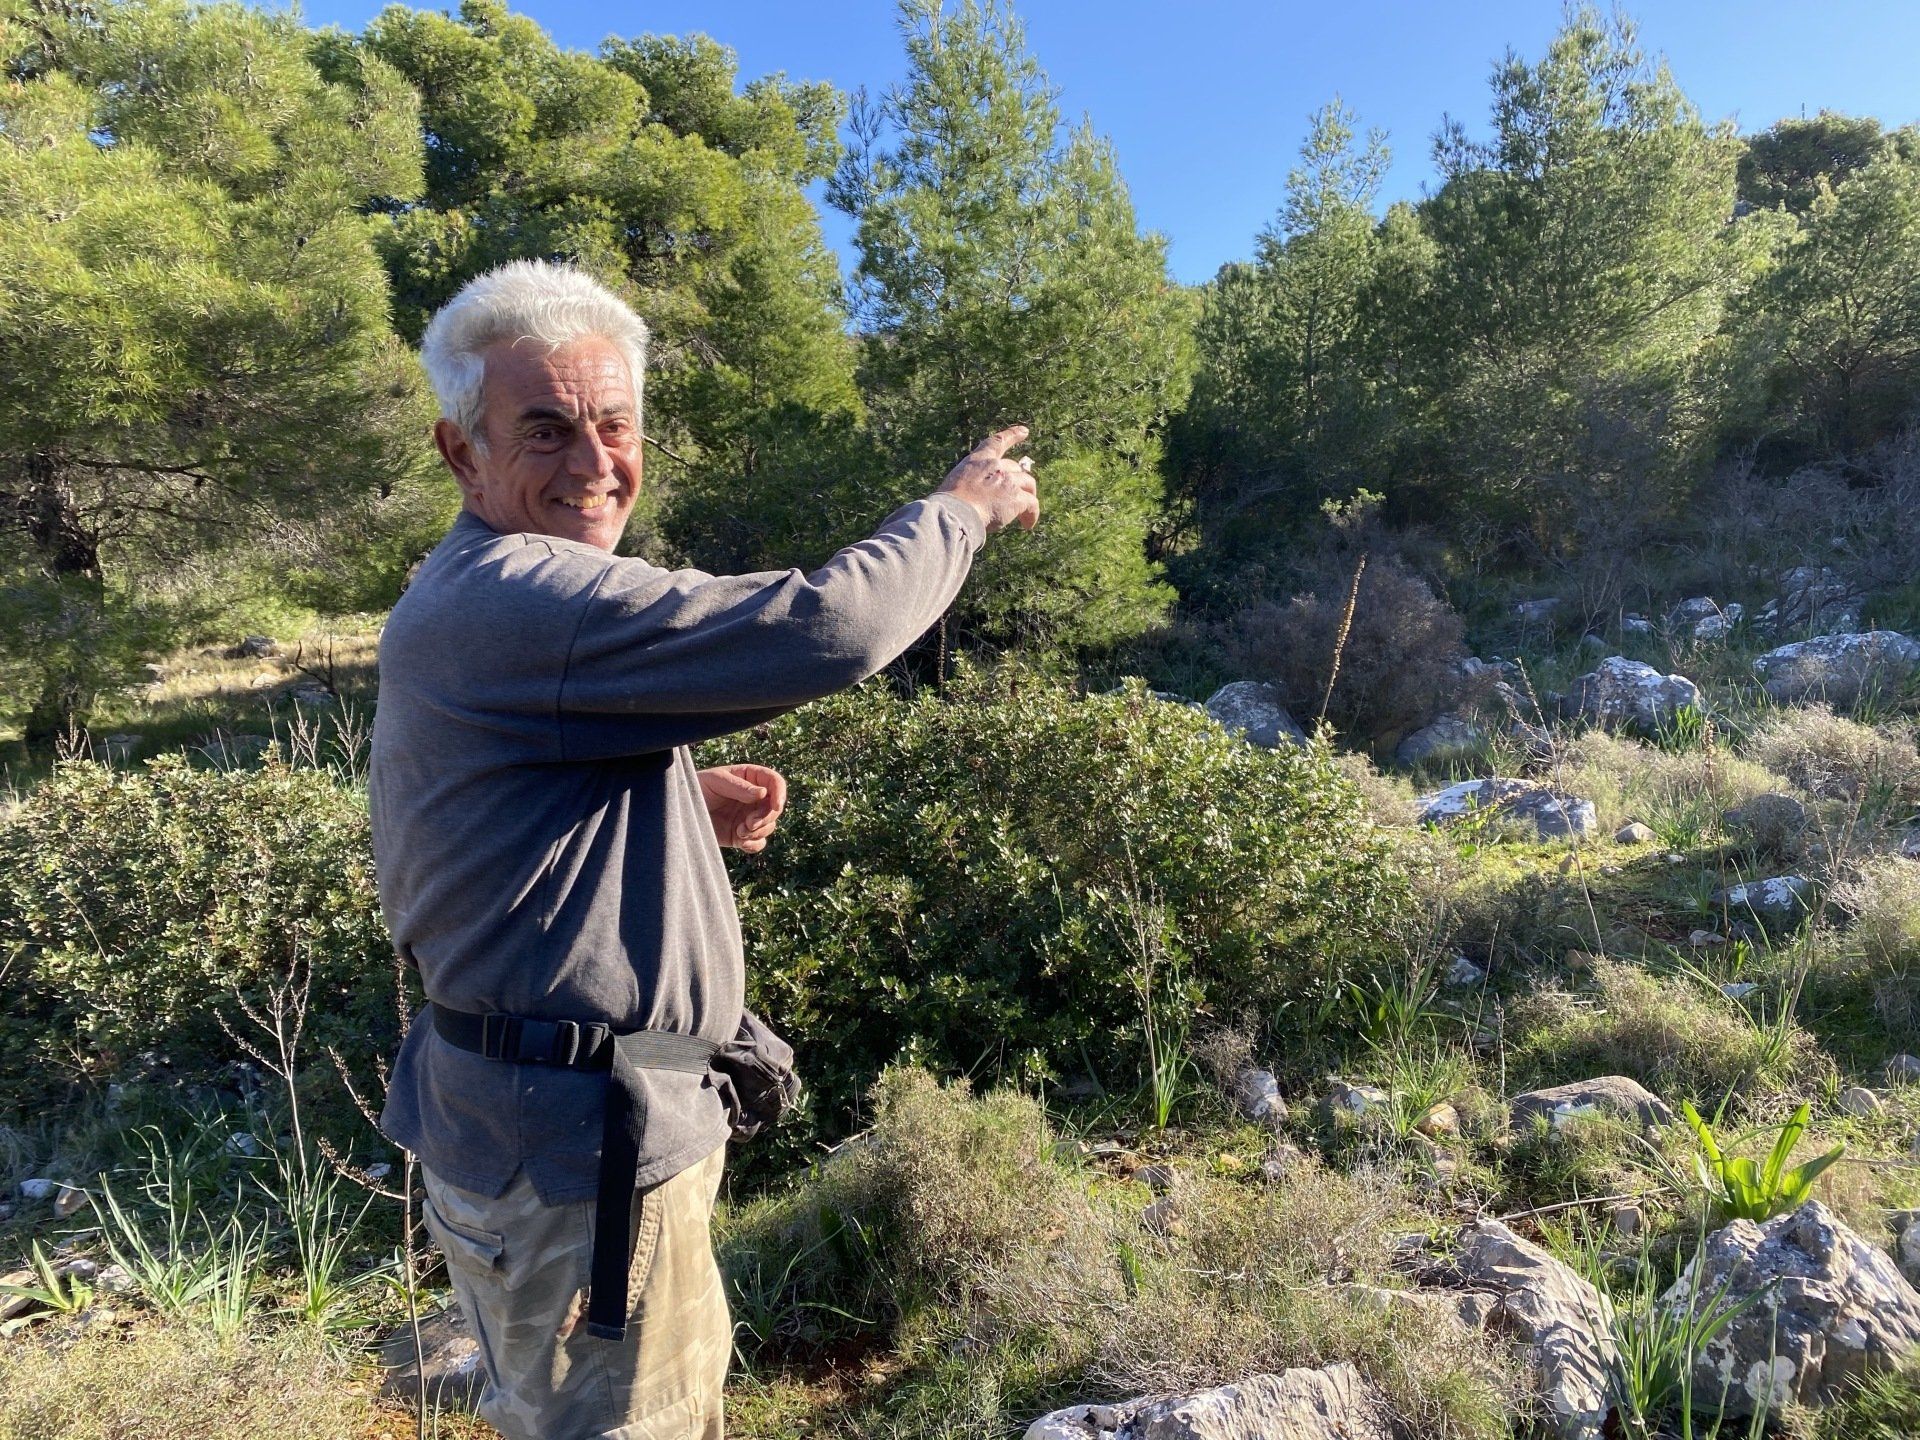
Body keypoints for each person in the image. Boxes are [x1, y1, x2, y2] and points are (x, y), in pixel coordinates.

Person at [367, 257, 1039, 1440]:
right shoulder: (525, 594)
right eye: (545, 429)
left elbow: (482, 810)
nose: (593, 463)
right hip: (579, 1162)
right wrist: (961, 510)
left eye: (615, 424)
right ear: (461, 452)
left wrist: (673, 790)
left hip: (541, 1133)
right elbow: (831, 628)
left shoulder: (480, 592)